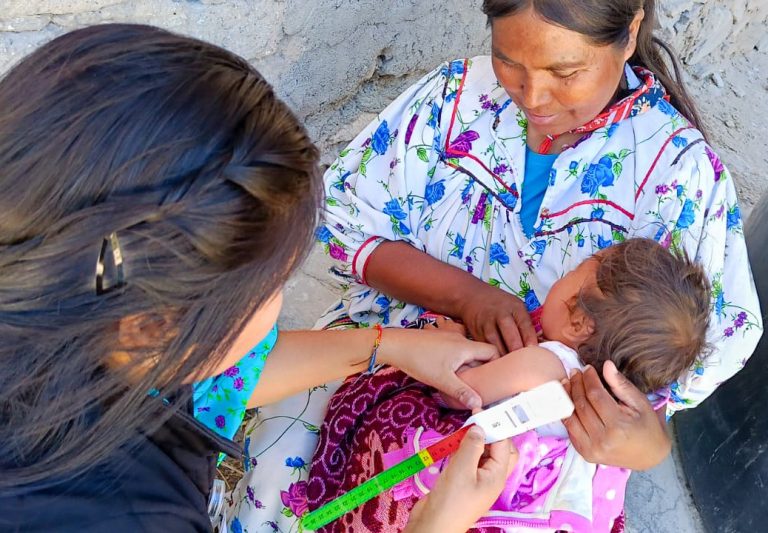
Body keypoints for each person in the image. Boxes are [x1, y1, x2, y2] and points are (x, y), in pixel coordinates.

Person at [231, 0, 762, 530]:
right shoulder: (453, 99)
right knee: (283, 481)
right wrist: (466, 297)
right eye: (510, 61)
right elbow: (347, 221)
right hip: (382, 345)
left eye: (565, 72)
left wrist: (646, 444)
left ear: (630, 34)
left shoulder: (680, 173)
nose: (533, 97)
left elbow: (682, 360)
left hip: (526, 438)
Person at [0, 24, 518, 532]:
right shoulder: (125, 513)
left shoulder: (82, 312)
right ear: (152, 326)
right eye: (271, 285)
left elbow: (207, 382)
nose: (274, 300)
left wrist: (389, 345)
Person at [306, 238, 711, 532]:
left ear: (578, 323)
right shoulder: (630, 403)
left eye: (572, 275)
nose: (562, 276)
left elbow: (459, 389)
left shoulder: (544, 364)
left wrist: (454, 336)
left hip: (469, 497)